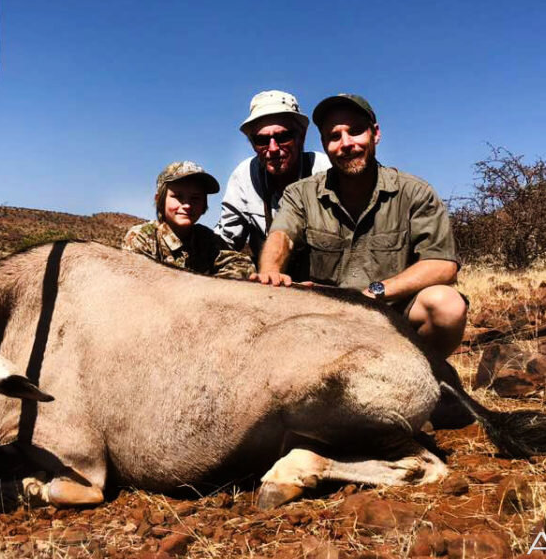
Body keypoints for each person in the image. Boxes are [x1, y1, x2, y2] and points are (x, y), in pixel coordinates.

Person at [252, 94, 467, 358]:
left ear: (375, 134)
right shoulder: (300, 194)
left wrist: (374, 294)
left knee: (446, 305)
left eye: (355, 132)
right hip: (325, 316)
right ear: (324, 144)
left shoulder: (415, 192)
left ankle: (429, 383)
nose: (346, 144)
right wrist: (271, 271)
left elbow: (442, 265)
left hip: (390, 314)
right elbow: (282, 235)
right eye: (334, 136)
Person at [214, 90, 330, 269]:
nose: (273, 148)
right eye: (262, 140)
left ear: (302, 135)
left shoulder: (325, 170)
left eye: (283, 137)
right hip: (269, 285)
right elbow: (226, 241)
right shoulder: (244, 175)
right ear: (253, 144)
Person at [124, 161, 255, 279]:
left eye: (195, 198)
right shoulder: (141, 238)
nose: (187, 205)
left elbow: (243, 264)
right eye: (178, 196)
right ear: (159, 200)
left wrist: (212, 286)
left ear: (204, 204)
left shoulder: (207, 239)